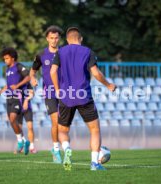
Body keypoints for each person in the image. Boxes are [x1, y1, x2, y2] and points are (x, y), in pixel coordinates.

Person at [50, 27, 116, 171]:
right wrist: (108, 84)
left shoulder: (60, 52)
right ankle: (94, 163)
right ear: (81, 38)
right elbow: (96, 73)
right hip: (84, 96)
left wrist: (57, 90)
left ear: (67, 40)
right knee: (94, 130)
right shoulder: (88, 52)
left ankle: (67, 148)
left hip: (66, 96)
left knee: (62, 130)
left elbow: (52, 71)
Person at [30, 25, 63, 163]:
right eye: (51, 38)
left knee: (63, 124)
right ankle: (56, 149)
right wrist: (33, 78)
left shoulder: (65, 53)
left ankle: (63, 146)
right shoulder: (41, 55)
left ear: (59, 39)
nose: (54, 41)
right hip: (49, 93)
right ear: (47, 39)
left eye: (56, 38)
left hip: (65, 92)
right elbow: (33, 71)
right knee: (55, 122)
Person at [0, 47, 31, 155]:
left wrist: (18, 85)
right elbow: (8, 85)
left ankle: (20, 142)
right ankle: (24, 141)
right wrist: (0, 92)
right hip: (9, 98)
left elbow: (28, 77)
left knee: (12, 118)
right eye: (4, 59)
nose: (5, 60)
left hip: (18, 97)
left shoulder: (19, 66)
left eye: (7, 58)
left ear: (13, 58)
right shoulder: (8, 70)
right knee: (11, 121)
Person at [16, 84, 37, 154]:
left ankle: (32, 147)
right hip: (17, 108)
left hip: (27, 108)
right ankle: (23, 144)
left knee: (30, 127)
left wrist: (26, 100)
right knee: (19, 129)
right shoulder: (14, 82)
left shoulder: (27, 83)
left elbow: (32, 93)